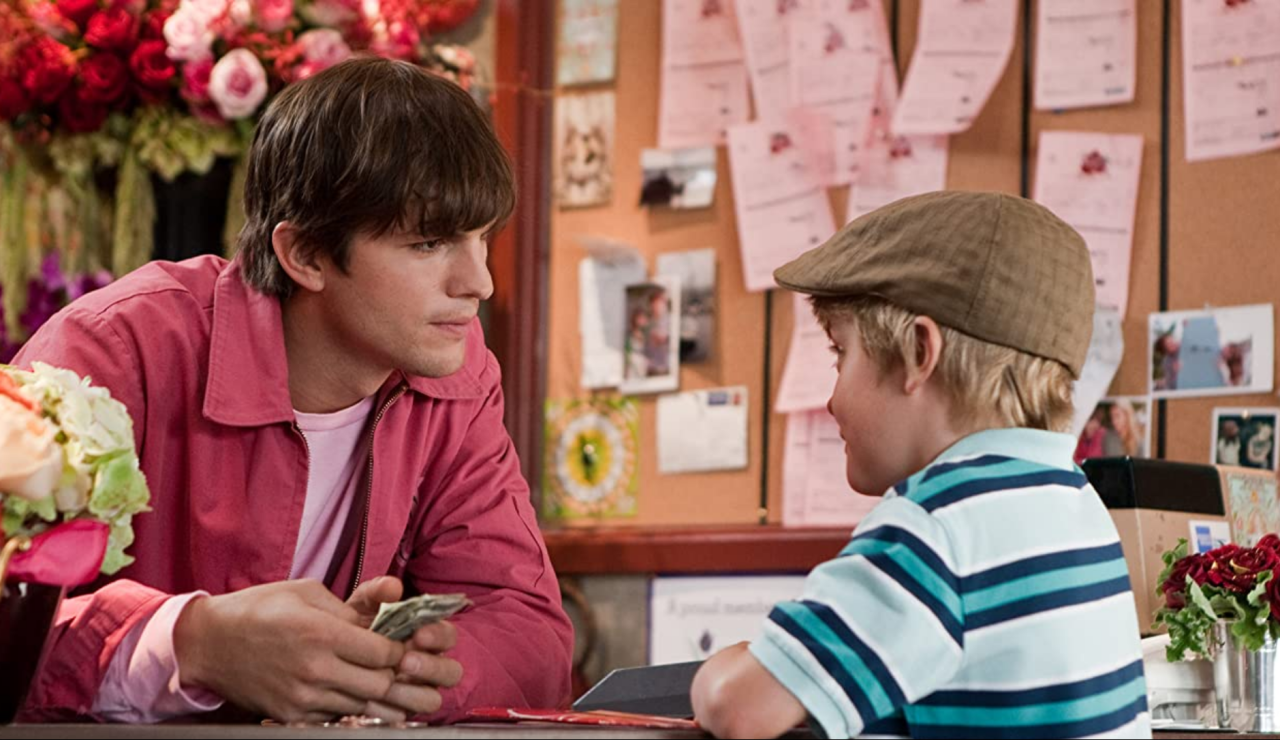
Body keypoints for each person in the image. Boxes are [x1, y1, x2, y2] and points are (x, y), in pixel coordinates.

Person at [13, 57, 573, 724]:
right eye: (430, 243)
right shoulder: (114, 349)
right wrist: (193, 643)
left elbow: (528, 634)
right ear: (303, 254)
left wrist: (375, 668)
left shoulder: (457, 372)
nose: (477, 283)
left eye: (482, 239)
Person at [690, 192, 1149, 739]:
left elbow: (736, 706)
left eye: (841, 354)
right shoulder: (1074, 500)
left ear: (917, 352)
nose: (831, 399)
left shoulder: (937, 527)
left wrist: (734, 660)